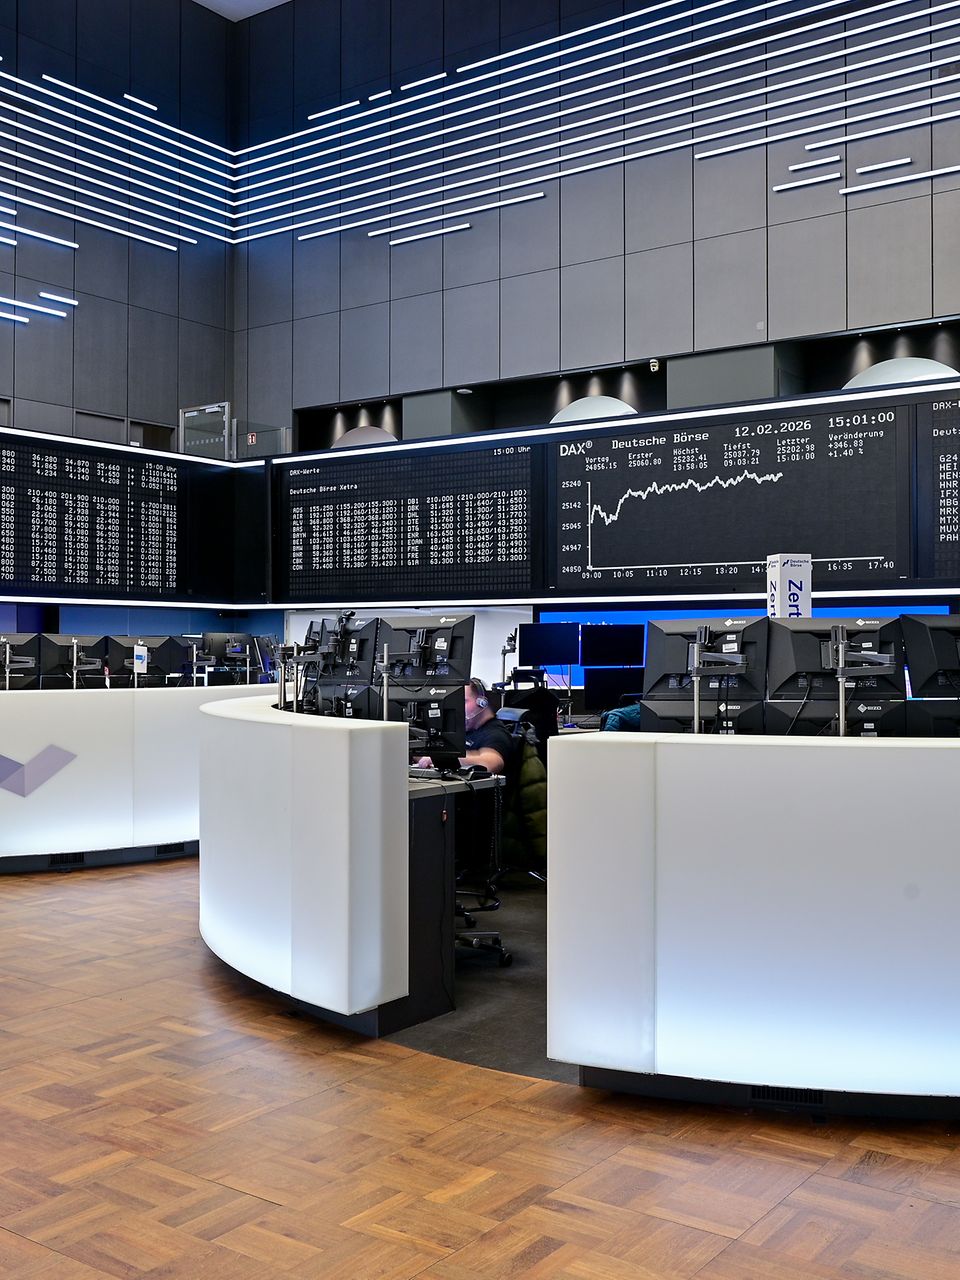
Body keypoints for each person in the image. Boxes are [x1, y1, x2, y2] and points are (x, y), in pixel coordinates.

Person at [416, 677, 513, 774]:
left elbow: (491, 763)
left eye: (463, 701)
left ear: (481, 703)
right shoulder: (462, 731)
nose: (457, 707)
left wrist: (442, 758)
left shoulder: (496, 734)